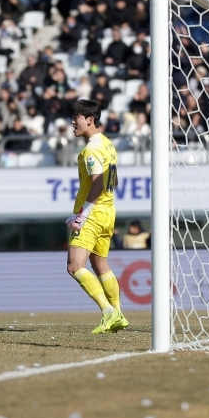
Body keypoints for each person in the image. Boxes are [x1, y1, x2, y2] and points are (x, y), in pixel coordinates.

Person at [65, 99, 128, 335]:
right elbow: (114, 180)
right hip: (108, 211)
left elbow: (98, 181)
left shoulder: (91, 149)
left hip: (93, 213)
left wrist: (84, 213)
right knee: (100, 264)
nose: (73, 123)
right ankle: (118, 312)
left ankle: (108, 311)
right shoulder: (108, 144)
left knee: (74, 266)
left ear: (89, 120)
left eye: (76, 118)